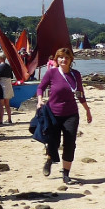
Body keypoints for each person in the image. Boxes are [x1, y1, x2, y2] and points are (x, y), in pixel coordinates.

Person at [37, 46, 92, 184]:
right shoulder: (52, 73)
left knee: (70, 143)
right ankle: (49, 160)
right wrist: (39, 100)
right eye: (61, 57)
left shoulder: (76, 74)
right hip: (53, 113)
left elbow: (80, 93)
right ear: (57, 59)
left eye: (67, 58)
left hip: (71, 114)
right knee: (53, 142)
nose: (64, 60)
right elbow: (40, 87)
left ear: (71, 60)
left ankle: (66, 173)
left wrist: (87, 110)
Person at [0, 52, 15, 124]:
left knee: (0, 104)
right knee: (7, 104)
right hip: (8, 85)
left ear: (0, 59)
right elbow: (11, 76)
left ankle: (1, 120)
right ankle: (9, 119)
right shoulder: (8, 66)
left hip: (1, 86)